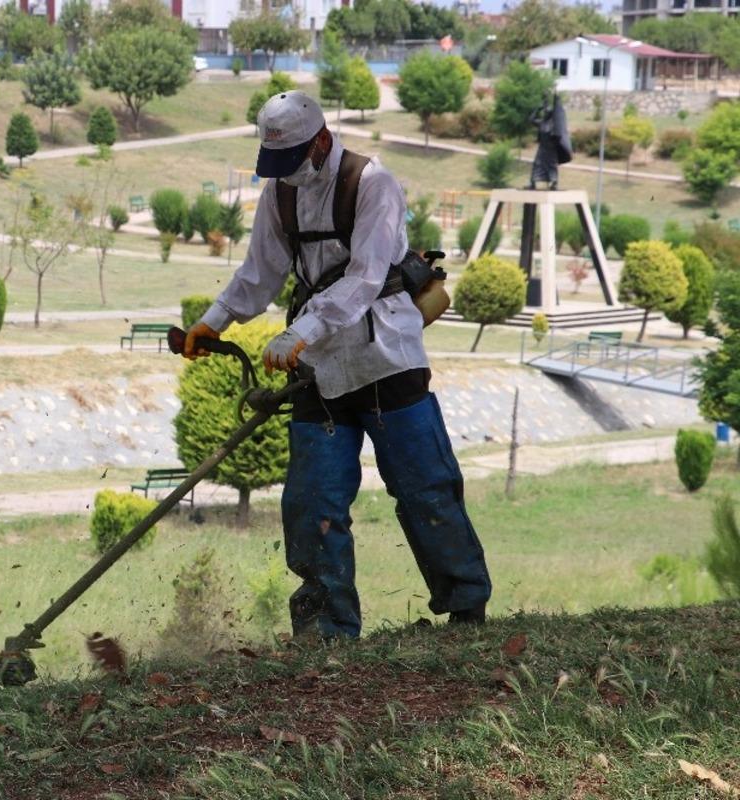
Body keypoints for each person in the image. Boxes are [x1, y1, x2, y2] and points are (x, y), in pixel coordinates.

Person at [181, 91, 492, 639]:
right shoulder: (280, 194)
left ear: (320, 141)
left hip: (386, 356)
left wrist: (299, 330)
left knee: (425, 487)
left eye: (293, 162)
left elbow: (367, 279)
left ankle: (466, 609)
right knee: (312, 500)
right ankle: (326, 630)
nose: (287, 175)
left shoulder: (373, 184)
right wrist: (216, 320)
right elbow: (260, 271)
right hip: (319, 367)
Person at [526, 91, 573, 190]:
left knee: (551, 166)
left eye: (547, 112)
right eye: (544, 112)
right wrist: (538, 108)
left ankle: (554, 183)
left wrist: (556, 100)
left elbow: (560, 130)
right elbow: (530, 119)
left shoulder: (554, 125)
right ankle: (533, 182)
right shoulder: (542, 123)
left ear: (551, 114)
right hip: (542, 148)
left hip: (551, 149)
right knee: (537, 164)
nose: (545, 113)